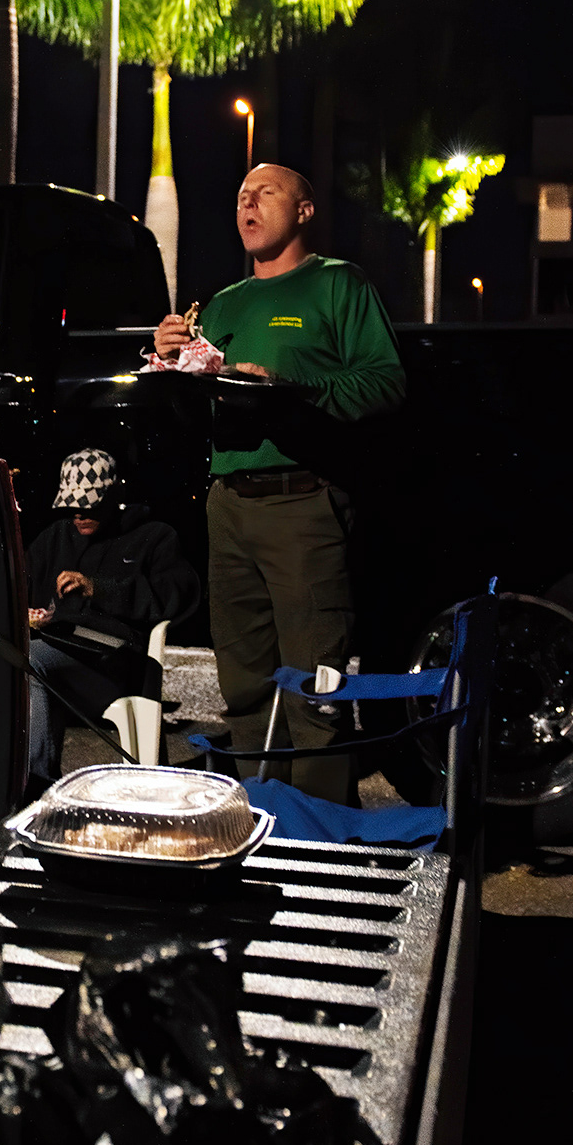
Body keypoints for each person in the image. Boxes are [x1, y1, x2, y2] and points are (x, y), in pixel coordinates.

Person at [150, 164, 405, 801]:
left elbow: (384, 382)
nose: (249, 204)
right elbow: (195, 412)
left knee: (314, 689)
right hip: (227, 505)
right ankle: (261, 818)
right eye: (241, 195)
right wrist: (172, 361)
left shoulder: (338, 283)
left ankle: (320, 835)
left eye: (265, 193)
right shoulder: (223, 303)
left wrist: (293, 392)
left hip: (302, 501)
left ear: (304, 211)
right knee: (242, 684)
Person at [26, 448, 197, 789]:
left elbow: (177, 598)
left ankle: (37, 785)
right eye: (72, 506)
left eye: (88, 506)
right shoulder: (57, 537)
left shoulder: (154, 536)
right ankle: (22, 780)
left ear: (115, 495)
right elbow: (22, 584)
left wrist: (98, 589)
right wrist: (31, 613)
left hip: (116, 665)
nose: (78, 514)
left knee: (29, 660)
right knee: (10, 654)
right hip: (61, 653)